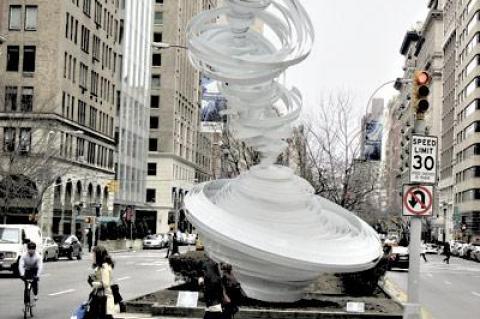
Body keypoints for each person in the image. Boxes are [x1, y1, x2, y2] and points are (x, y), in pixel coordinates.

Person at [87, 245, 115, 319]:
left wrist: (92, 282)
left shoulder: (104, 267)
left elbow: (105, 284)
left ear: (98, 255)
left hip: (103, 298)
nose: (92, 256)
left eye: (93, 254)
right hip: (100, 297)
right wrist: (93, 278)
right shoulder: (100, 266)